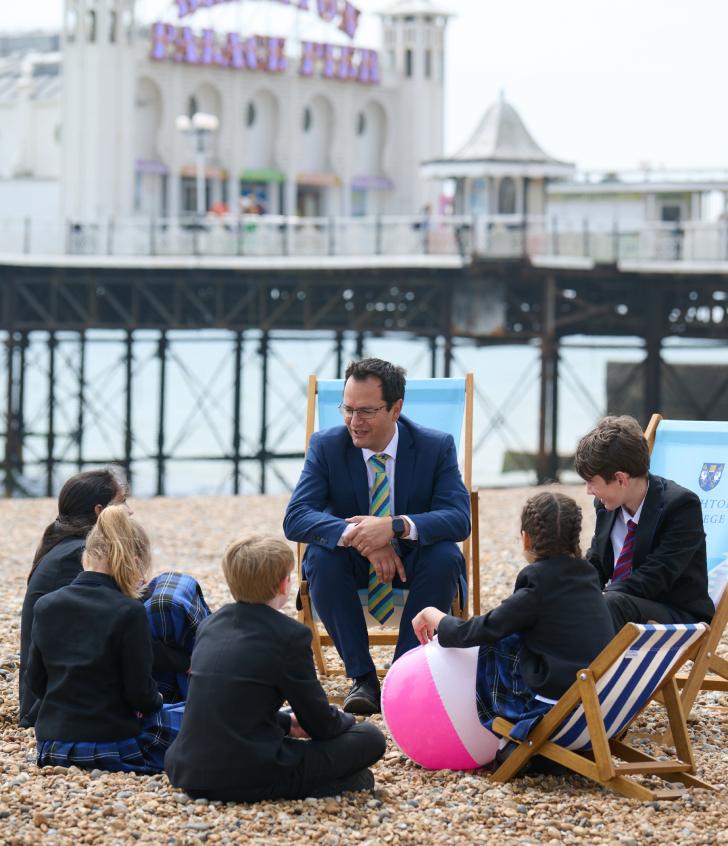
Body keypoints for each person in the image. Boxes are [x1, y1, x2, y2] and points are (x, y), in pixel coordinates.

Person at [283, 357, 471, 715]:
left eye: (366, 411)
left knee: (445, 556)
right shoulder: (327, 445)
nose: (354, 421)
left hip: (416, 563)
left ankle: (403, 675)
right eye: (348, 409)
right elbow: (296, 517)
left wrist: (395, 525)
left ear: (396, 408)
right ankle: (363, 678)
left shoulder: (435, 447)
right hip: (352, 563)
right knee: (320, 557)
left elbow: (459, 518)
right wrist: (363, 537)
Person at [164, 535, 386, 802]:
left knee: (290, 715)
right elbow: (322, 726)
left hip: (187, 769)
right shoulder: (290, 636)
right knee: (370, 738)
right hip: (248, 774)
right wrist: (347, 721)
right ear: (283, 585)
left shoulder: (211, 625)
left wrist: (285, 722)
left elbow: (227, 701)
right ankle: (315, 785)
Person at [412, 492, 615, 739]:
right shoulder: (588, 576)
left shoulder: (538, 584)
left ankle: (507, 727)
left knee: (499, 640)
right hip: (601, 706)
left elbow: (476, 631)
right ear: (575, 539)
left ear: (526, 539)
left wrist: (432, 614)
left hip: (555, 710)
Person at [19, 468, 209, 727]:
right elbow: (110, 632)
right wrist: (184, 661)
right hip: (59, 703)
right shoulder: (77, 557)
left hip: (66, 693)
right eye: (122, 502)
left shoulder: (71, 547)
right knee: (167, 603)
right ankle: (206, 679)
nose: (130, 511)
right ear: (100, 511)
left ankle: (202, 680)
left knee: (164, 593)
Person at [27, 506, 184, 774]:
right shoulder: (129, 611)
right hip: (109, 744)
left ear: (85, 557)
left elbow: (37, 683)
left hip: (51, 745)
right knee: (195, 717)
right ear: (134, 561)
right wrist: (157, 698)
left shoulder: (46, 605)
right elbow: (140, 696)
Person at [575, 415, 714, 631]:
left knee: (607, 604)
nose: (588, 490)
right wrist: (571, 589)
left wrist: (598, 597)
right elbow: (598, 563)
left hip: (676, 611)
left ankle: (583, 663)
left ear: (621, 479)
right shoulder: (607, 505)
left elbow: (656, 576)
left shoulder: (681, 506)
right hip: (622, 601)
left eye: (592, 482)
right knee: (556, 598)